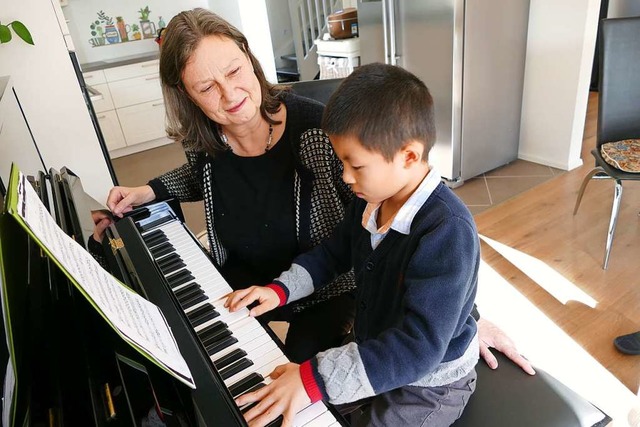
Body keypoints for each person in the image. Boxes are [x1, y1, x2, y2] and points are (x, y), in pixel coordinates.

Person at [94, 8, 534, 374]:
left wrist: (466, 318)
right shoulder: (205, 141)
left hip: (322, 294)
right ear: (186, 97)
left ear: (249, 58)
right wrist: (147, 191)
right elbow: (201, 178)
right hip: (245, 286)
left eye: (234, 71)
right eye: (207, 88)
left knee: (283, 384)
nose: (230, 95)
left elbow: (404, 223)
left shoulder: (318, 136)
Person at [225, 63, 479, 427]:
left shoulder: (447, 231)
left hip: (431, 381)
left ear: (408, 155)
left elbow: (418, 346)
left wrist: (313, 379)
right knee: (292, 404)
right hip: (376, 350)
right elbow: (333, 253)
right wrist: (279, 291)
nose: (345, 176)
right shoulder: (370, 199)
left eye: (355, 165)